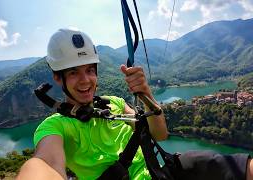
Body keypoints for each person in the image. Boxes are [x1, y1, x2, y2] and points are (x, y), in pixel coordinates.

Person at [17, 28, 253, 180]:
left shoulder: (115, 104)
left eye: (90, 70)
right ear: (57, 78)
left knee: (209, 162)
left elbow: (159, 134)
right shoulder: (56, 127)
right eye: (73, 73)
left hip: (157, 173)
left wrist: (145, 93)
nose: (86, 80)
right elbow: (44, 164)